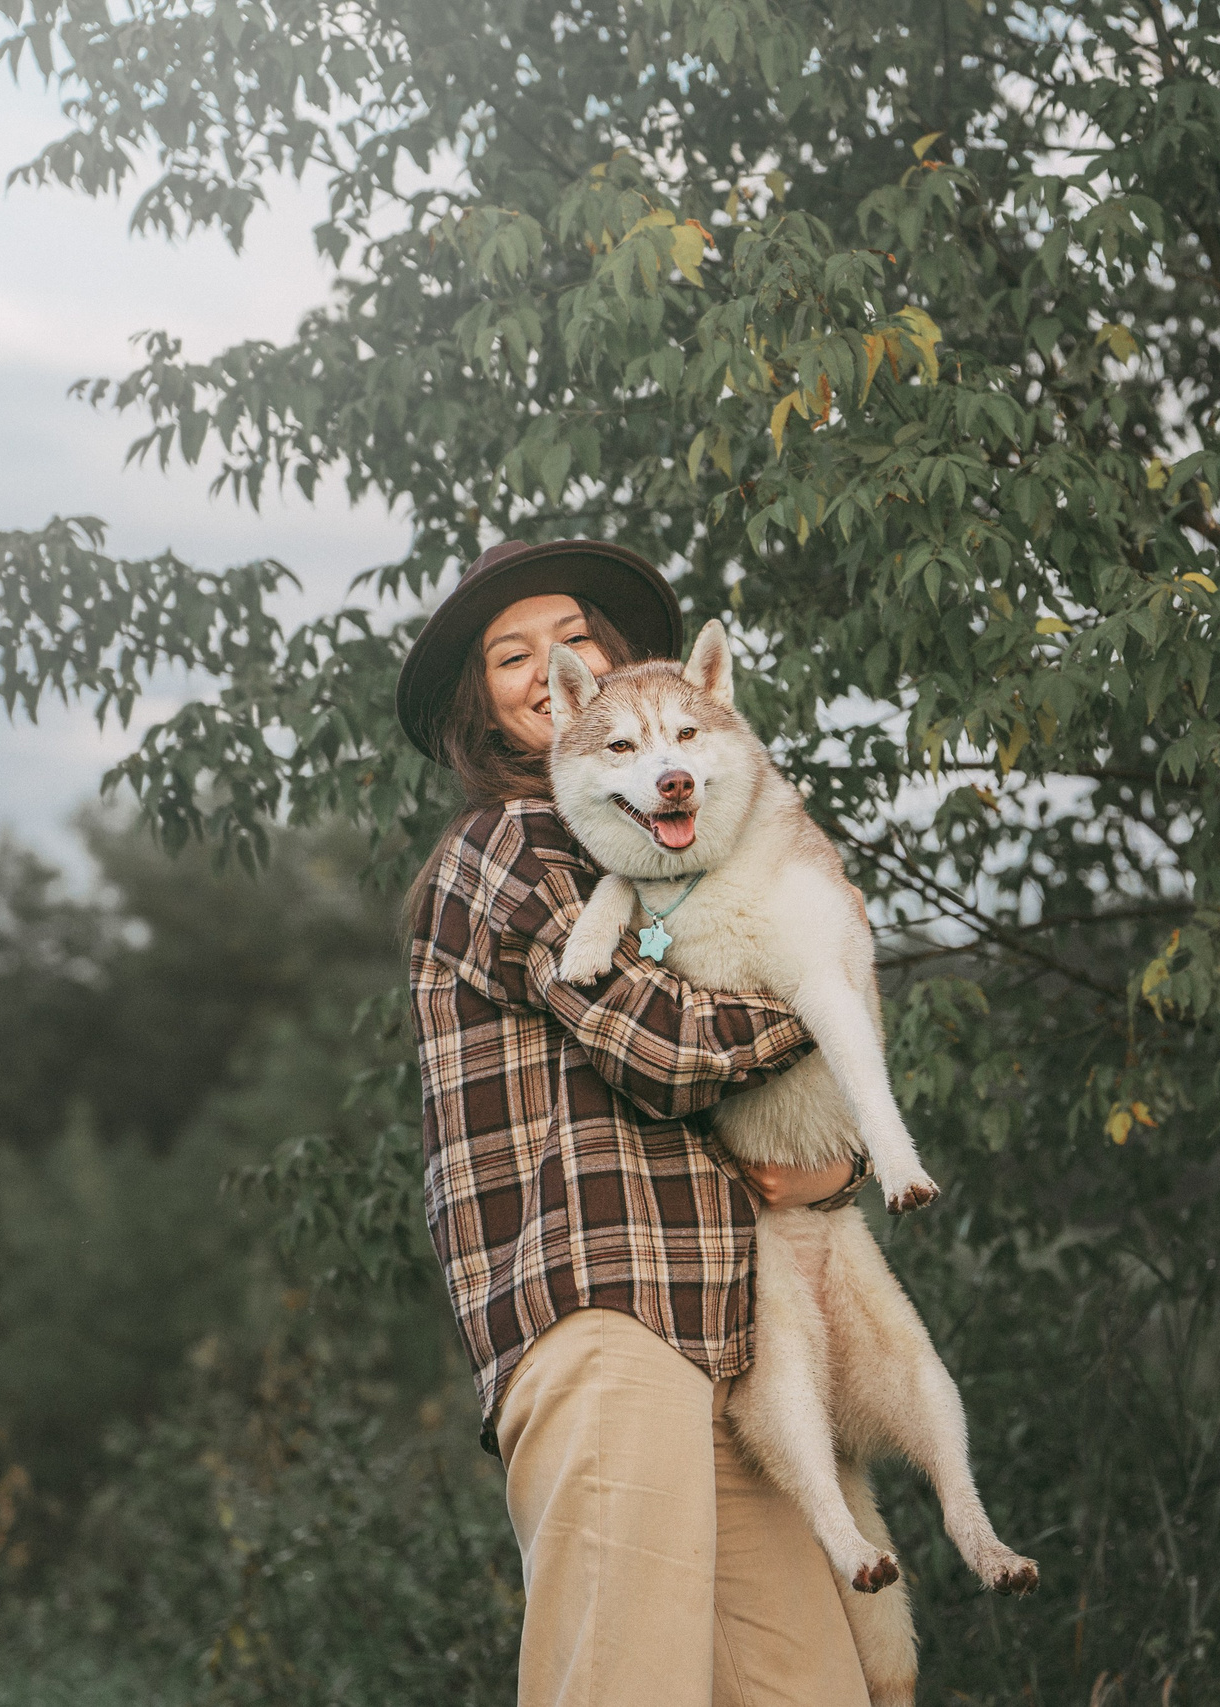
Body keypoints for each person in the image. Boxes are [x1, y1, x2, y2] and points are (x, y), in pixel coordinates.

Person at [395, 538, 874, 1706]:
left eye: (573, 638)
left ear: (621, 666)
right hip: (605, 1317)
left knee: (812, 1689)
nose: (546, 666)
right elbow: (665, 1049)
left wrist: (840, 1170)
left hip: (738, 1342)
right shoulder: (509, 846)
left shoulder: (675, 860)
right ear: (487, 706)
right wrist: (829, 968)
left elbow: (782, 1116)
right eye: (510, 655)